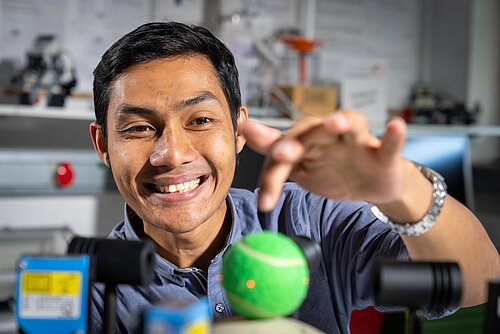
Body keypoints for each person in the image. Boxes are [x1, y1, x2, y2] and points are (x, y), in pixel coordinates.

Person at [89, 21, 500, 333]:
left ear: (237, 131)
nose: (172, 154)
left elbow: (479, 284)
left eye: (199, 119)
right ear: (103, 144)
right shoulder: (93, 289)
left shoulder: (308, 218)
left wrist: (404, 192)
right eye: (139, 128)